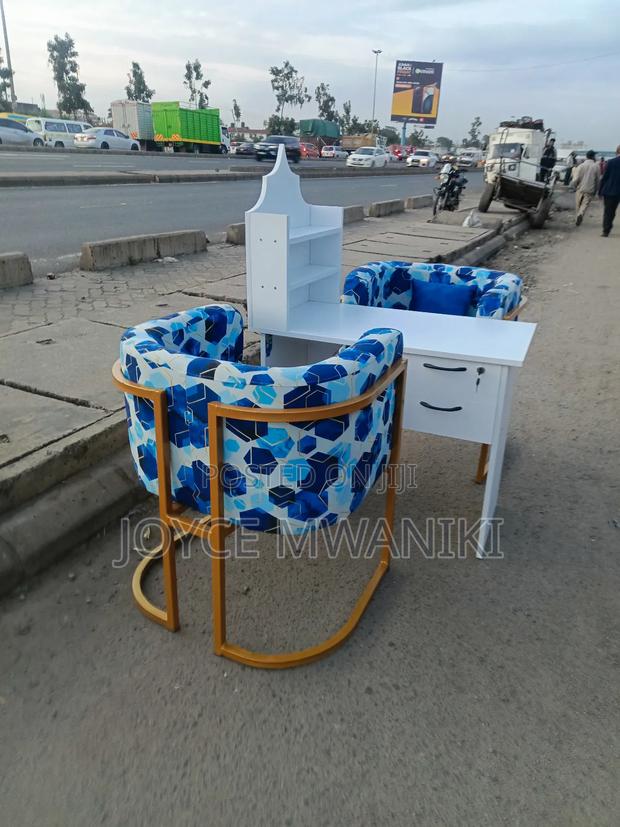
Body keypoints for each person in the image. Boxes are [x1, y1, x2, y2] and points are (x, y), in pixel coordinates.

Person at [572, 150, 600, 226]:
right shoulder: (596, 166)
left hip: (580, 188)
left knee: (578, 204)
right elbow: (597, 180)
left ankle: (578, 216)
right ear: (593, 157)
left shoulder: (581, 166)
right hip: (589, 189)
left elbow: (575, 179)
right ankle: (580, 214)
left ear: (586, 156)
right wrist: (596, 190)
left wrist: (574, 186)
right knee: (585, 204)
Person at [599, 144, 620, 237]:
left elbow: (605, 177)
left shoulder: (610, 162)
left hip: (610, 190)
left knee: (608, 212)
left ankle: (606, 231)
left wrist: (600, 191)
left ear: (617, 151)